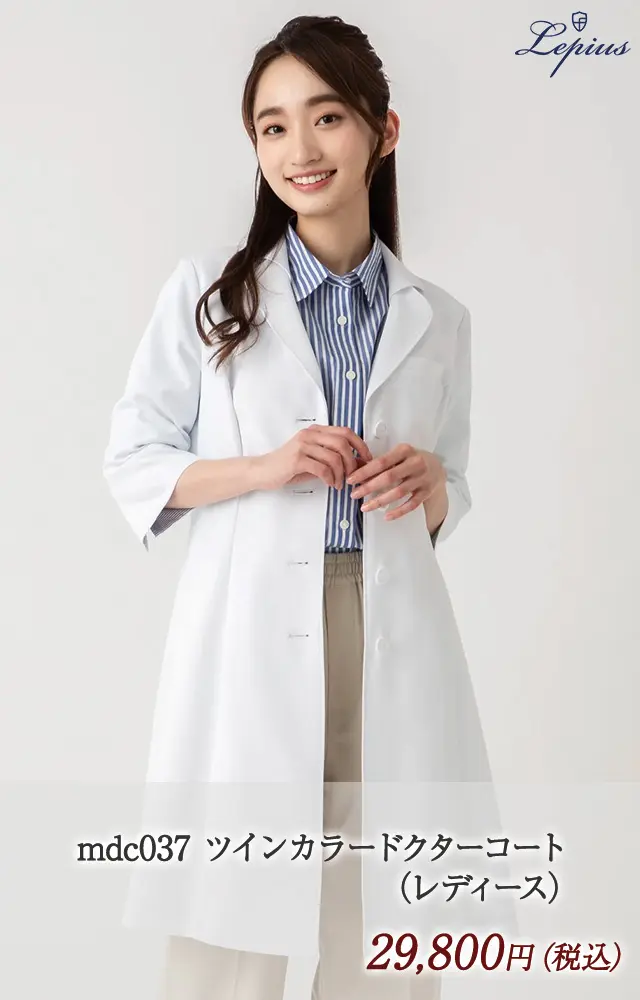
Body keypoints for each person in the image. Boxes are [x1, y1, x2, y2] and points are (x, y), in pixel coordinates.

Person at [103, 14, 504, 1000]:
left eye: (325, 118)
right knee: (234, 912)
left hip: (389, 619)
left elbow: (452, 483)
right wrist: (265, 466)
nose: (299, 149)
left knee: (383, 908)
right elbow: (136, 460)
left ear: (382, 130)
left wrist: (432, 484)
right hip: (252, 624)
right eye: (272, 127)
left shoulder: (440, 319)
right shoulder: (211, 296)